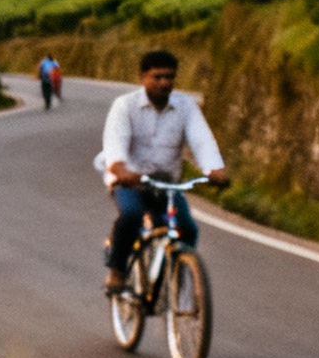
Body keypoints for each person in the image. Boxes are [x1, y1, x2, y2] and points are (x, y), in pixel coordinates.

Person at [97, 48, 228, 293]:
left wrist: (214, 169)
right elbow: (115, 143)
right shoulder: (125, 106)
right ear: (142, 77)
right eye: (157, 77)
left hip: (166, 185)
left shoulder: (185, 106)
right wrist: (120, 170)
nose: (164, 82)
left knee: (186, 228)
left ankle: (177, 276)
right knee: (132, 216)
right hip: (131, 181)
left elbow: (201, 140)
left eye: (169, 77)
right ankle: (116, 271)